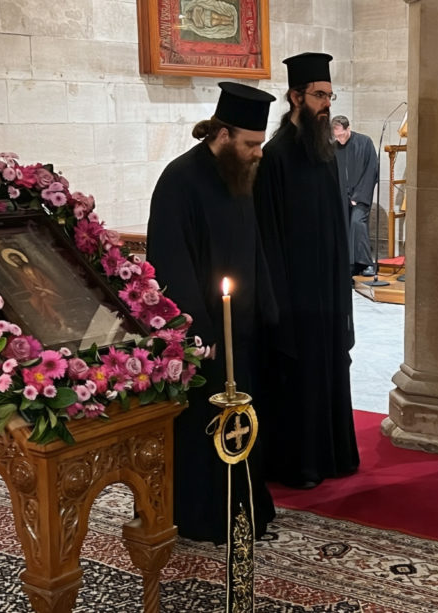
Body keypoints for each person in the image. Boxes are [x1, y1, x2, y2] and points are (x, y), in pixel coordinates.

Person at [147, 82, 278, 544]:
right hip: (205, 337)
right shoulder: (179, 180)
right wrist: (199, 335)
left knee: (245, 420)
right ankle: (205, 515)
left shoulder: (238, 173)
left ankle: (245, 505)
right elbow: (169, 264)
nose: (258, 153)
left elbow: (252, 245)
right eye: (251, 144)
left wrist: (266, 308)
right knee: (206, 425)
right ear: (223, 135)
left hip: (243, 329)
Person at [254, 52, 359, 489]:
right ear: (295, 97)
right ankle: (301, 465)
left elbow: (336, 224)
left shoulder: (324, 152)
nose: (326, 104)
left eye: (329, 96)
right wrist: (279, 304)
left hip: (328, 287)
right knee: (300, 377)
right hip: (295, 293)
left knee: (330, 369)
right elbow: (268, 235)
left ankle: (333, 456)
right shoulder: (275, 156)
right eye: (318, 95)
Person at [332, 115, 379, 276]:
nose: (340, 139)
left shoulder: (364, 143)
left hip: (360, 195)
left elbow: (371, 170)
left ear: (348, 129)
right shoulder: (333, 148)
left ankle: (366, 263)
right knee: (342, 226)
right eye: (336, 136)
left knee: (357, 222)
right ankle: (350, 264)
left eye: (342, 135)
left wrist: (358, 196)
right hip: (341, 195)